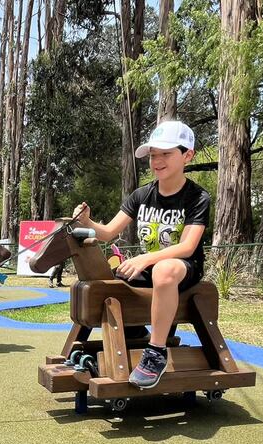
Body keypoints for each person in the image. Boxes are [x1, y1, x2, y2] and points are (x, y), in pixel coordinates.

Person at [72, 120, 209, 389]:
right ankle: (129, 334)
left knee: (163, 269)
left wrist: (146, 258)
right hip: (151, 268)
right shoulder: (141, 195)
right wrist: (87, 221)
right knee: (108, 281)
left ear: (187, 155)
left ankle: (155, 353)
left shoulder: (197, 197)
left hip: (184, 267)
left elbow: (187, 247)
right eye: (153, 155)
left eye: (166, 154)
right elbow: (108, 232)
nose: (157, 161)